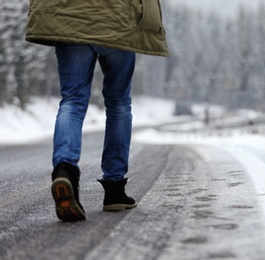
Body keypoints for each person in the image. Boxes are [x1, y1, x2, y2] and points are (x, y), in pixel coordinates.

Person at [25, 0, 168, 222]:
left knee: (72, 100)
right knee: (119, 104)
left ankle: (65, 170)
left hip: (71, 16)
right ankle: (114, 190)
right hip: (118, 20)